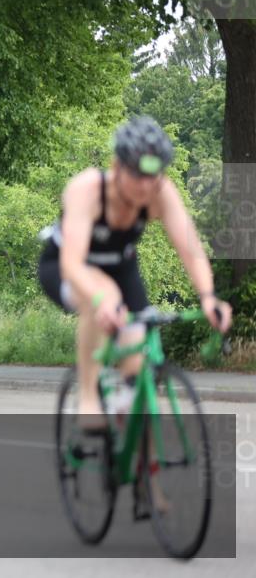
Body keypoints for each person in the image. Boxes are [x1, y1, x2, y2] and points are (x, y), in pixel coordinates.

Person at [38, 116, 232, 429]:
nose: (145, 185)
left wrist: (209, 297)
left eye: (153, 176)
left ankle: (136, 455)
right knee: (106, 299)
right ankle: (88, 396)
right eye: (136, 174)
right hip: (66, 266)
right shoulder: (87, 189)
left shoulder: (159, 191)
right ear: (117, 165)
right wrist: (100, 299)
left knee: (139, 346)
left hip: (120, 266)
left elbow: (191, 249)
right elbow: (72, 264)